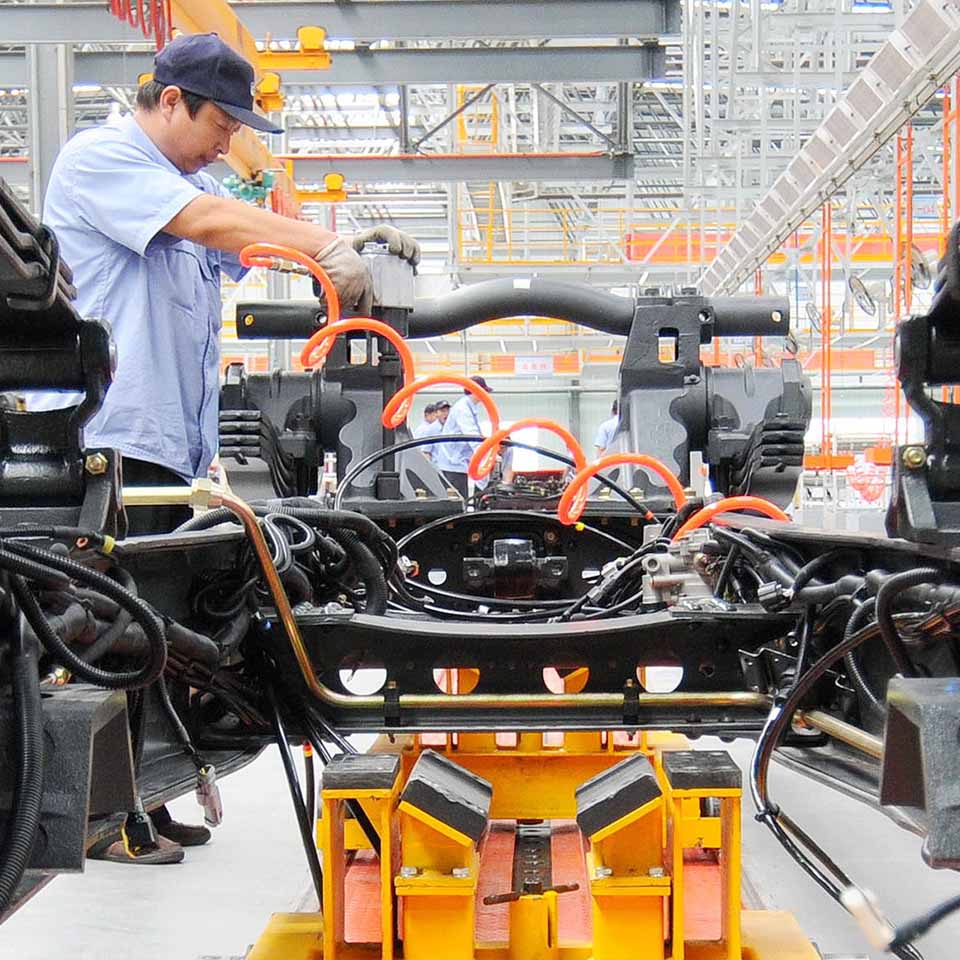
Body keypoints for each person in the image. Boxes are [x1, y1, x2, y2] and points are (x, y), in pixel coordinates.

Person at [38, 33, 420, 864]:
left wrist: (357, 243)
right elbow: (213, 222)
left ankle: (142, 798)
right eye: (219, 121)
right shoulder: (102, 161)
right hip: (109, 444)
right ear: (170, 102)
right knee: (111, 629)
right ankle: (105, 821)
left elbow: (243, 242)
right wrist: (322, 239)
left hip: (168, 449)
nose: (227, 141)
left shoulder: (191, 182)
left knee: (158, 631)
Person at [434, 377, 493, 498]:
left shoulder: (468, 406)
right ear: (476, 390)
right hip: (453, 463)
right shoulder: (463, 408)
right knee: (459, 502)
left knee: (462, 499)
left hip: (458, 463)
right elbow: (472, 435)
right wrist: (486, 456)